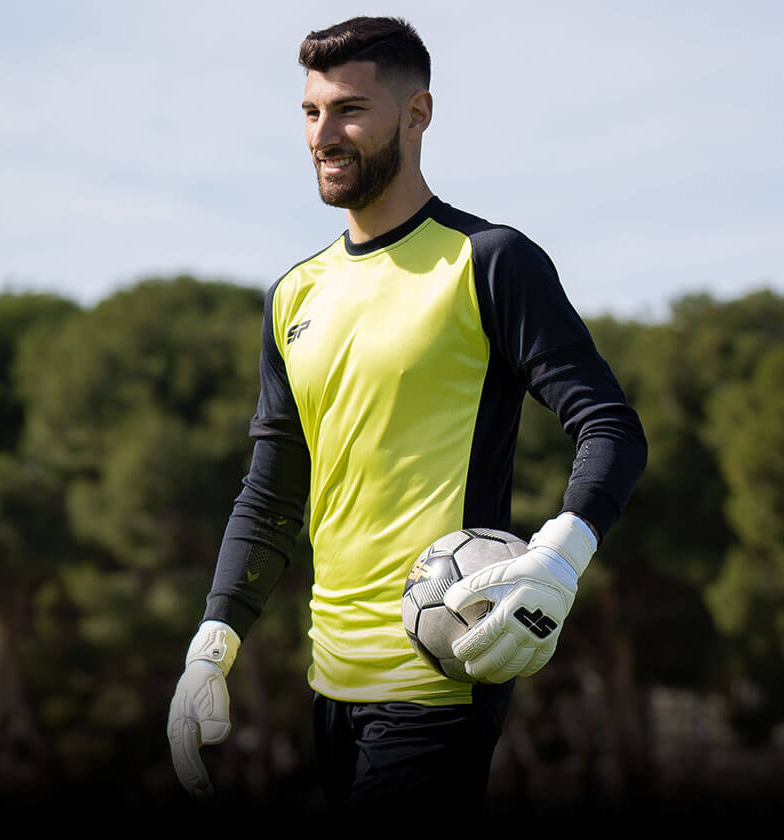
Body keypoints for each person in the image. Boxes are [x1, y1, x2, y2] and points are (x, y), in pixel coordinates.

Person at [167, 16, 647, 815]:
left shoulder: (488, 260)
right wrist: (213, 640)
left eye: (350, 110)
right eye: (311, 113)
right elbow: (273, 489)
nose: (325, 134)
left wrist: (559, 557)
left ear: (417, 114)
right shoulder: (295, 292)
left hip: (443, 674)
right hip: (328, 681)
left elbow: (609, 426)